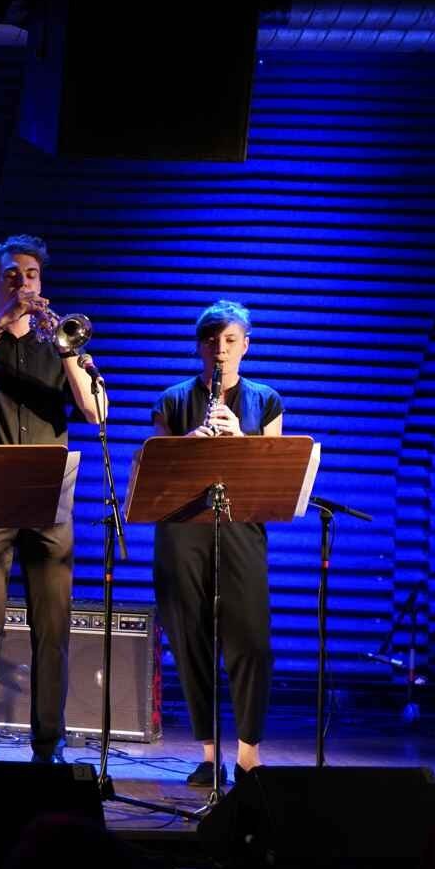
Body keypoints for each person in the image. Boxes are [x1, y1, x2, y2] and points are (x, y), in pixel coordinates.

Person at [0, 235, 102, 762]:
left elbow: (97, 412)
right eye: (12, 275)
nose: (23, 282)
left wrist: (69, 353)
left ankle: (48, 744)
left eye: (31, 275)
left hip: (51, 500)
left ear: (42, 283)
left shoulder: (65, 344)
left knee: (52, 627)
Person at [151, 300, 282, 786]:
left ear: (245, 346)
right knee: (190, 641)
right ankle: (210, 754)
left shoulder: (266, 399)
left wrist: (241, 439)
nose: (220, 350)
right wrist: (190, 442)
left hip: (241, 529)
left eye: (230, 341)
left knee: (251, 639)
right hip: (183, 531)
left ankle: (249, 753)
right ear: (199, 347)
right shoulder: (171, 400)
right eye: (211, 341)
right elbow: (157, 474)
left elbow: (271, 477)